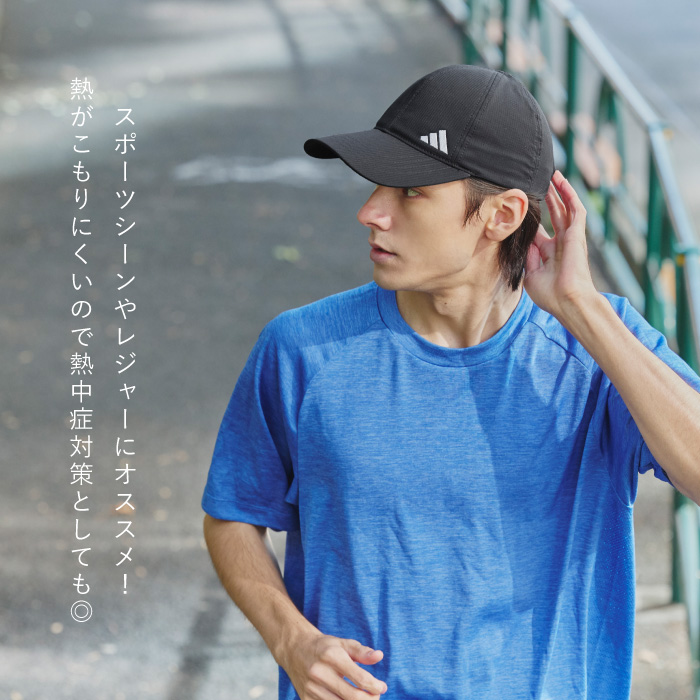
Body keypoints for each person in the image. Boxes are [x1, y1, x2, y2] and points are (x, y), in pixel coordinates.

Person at [201, 64, 700, 700]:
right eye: (378, 184)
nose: (370, 211)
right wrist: (290, 638)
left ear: (502, 215)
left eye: (411, 191)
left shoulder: (599, 347)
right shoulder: (302, 349)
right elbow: (233, 515)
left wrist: (584, 309)